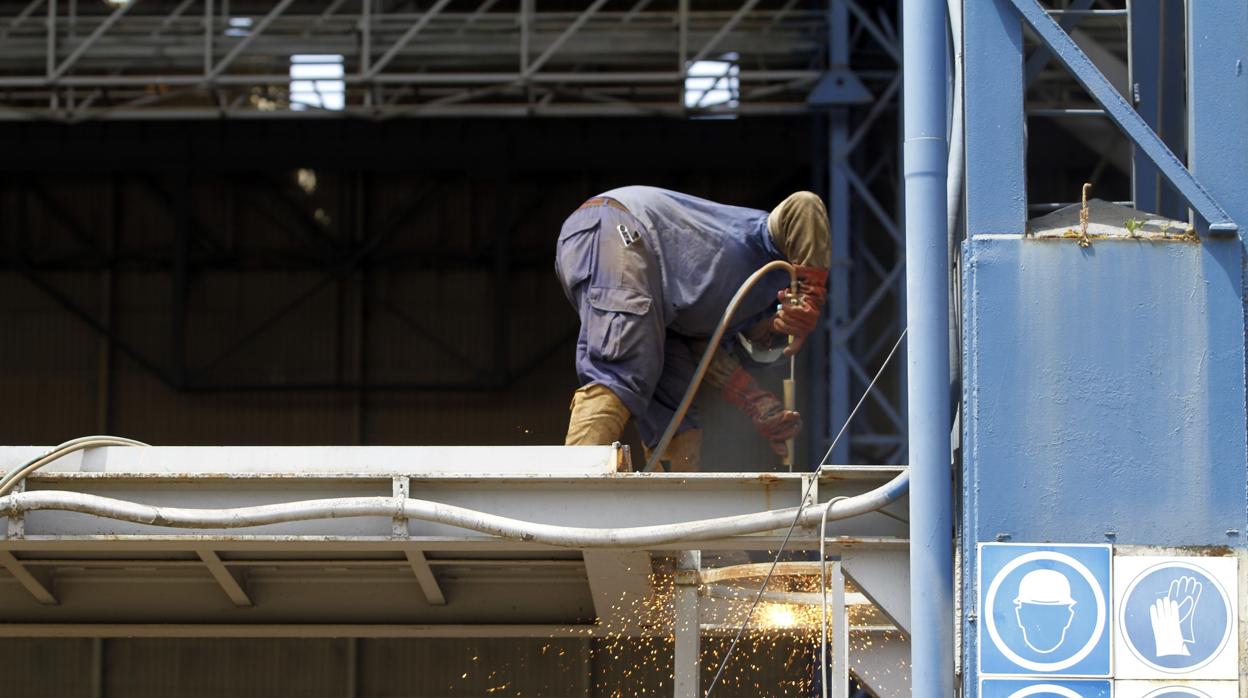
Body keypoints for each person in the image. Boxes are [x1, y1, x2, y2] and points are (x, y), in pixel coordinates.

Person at [555, 186, 830, 471]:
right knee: (620, 368)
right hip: (623, 229)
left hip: (655, 293)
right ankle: (573, 493)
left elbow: (708, 358)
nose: (767, 337)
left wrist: (759, 405)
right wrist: (810, 295)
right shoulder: (765, 246)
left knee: (674, 413)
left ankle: (673, 505)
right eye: (771, 338)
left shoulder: (713, 324)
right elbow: (804, 206)